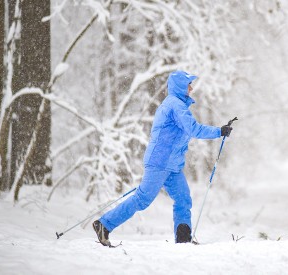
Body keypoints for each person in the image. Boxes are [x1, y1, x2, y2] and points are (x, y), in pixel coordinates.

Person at [93, 70, 233, 246]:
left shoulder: (176, 104)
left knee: (183, 199)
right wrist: (219, 131)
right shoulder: (175, 105)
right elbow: (193, 129)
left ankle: (183, 239)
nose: (191, 88)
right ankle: (104, 225)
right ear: (181, 86)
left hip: (172, 165)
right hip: (160, 162)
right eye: (189, 84)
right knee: (142, 199)